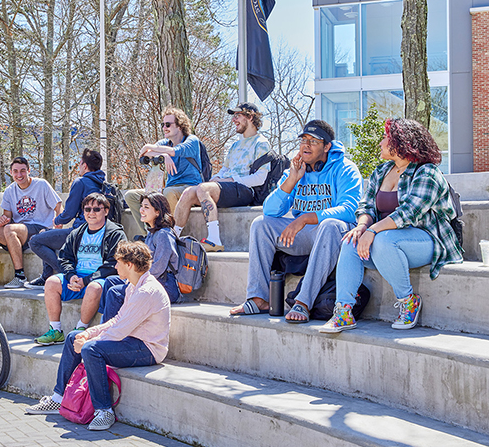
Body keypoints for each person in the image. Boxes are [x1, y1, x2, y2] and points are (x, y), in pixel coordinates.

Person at [320, 118, 463, 333]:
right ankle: (343, 312)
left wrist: (373, 230)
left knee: (383, 240)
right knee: (351, 240)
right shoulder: (381, 171)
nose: (381, 142)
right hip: (385, 240)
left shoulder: (428, 173)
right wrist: (361, 227)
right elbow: (366, 207)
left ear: (401, 142)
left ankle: (409, 301)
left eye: (386, 138)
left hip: (427, 240)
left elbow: (408, 213)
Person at [25, 241, 170, 431]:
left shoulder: (146, 291)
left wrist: (89, 341)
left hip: (148, 349)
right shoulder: (133, 286)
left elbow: (119, 331)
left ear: (130, 265)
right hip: (131, 340)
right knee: (72, 337)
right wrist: (87, 333)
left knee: (90, 349)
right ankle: (58, 399)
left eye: (118, 262)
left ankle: (104, 411)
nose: (115, 266)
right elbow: (117, 320)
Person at [229, 120, 362, 320]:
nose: (306, 145)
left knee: (330, 225)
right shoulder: (296, 170)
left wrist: (307, 218)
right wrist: (292, 180)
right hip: (304, 236)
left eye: (313, 141)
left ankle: (303, 303)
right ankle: (258, 299)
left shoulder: (345, 169)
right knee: (260, 224)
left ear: (327, 146)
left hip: (333, 235)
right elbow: (270, 210)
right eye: (303, 140)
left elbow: (349, 210)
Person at [172, 102, 270, 252]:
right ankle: (172, 237)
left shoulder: (261, 143)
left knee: (204, 189)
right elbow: (225, 170)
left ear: (250, 117)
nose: (234, 120)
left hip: (245, 190)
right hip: (228, 187)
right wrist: (215, 179)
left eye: (238, 115)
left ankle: (214, 240)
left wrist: (231, 180)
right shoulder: (235, 146)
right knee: (188, 193)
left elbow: (260, 178)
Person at [34, 193, 127, 346]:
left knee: (94, 288)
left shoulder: (115, 233)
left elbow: (113, 264)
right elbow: (64, 257)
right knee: (51, 282)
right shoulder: (77, 233)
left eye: (97, 209)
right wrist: (71, 276)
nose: (91, 213)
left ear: (106, 211)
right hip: (76, 277)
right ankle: (55, 330)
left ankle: (80, 330)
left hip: (99, 279)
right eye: (87, 209)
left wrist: (86, 280)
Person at [0, 157, 62, 288]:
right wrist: (3, 220)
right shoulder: (10, 191)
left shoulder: (41, 185)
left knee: (10, 229)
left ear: (29, 170)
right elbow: (7, 216)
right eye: (15, 171)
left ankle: (20, 276)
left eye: (23, 171)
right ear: (11, 173)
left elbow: (58, 206)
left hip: (39, 229)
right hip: (17, 233)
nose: (19, 175)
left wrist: (58, 224)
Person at [25, 149, 106, 289]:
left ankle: (69, 275)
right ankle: (46, 277)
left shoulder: (81, 182)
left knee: (36, 241)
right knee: (47, 236)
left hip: (81, 232)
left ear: (84, 165)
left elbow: (69, 213)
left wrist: (57, 221)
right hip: (100, 232)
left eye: (80, 163)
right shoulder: (103, 184)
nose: (79, 166)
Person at [99, 192, 181, 322]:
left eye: (146, 207)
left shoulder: (164, 235)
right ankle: (108, 325)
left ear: (158, 212)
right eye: (141, 206)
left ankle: (109, 333)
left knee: (115, 292)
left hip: (165, 285)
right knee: (110, 281)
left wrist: (134, 280)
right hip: (151, 280)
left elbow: (158, 267)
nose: (141, 210)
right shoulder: (152, 233)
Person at [124, 106, 203, 238]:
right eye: (163, 124)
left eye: (168, 124)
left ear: (179, 126)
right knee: (130, 196)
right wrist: (164, 156)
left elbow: (175, 151)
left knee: (169, 192)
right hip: (170, 187)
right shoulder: (165, 143)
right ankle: (150, 234)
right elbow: (144, 154)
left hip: (190, 187)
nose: (164, 128)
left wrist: (153, 148)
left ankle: (170, 234)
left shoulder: (192, 140)